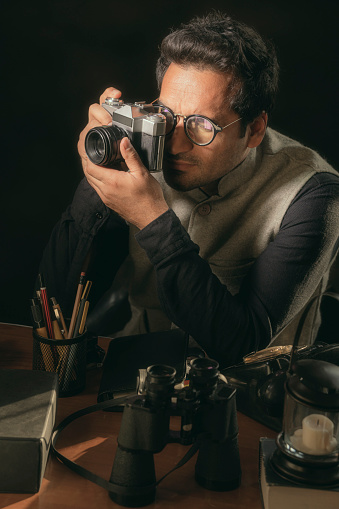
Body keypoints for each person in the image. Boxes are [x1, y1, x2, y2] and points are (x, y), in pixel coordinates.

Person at [38, 11, 339, 368]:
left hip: (256, 392)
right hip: (139, 369)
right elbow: (55, 303)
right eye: (166, 114)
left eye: (202, 126)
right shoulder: (145, 148)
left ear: (255, 129)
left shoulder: (315, 195)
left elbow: (241, 344)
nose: (176, 144)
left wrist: (152, 218)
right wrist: (97, 178)